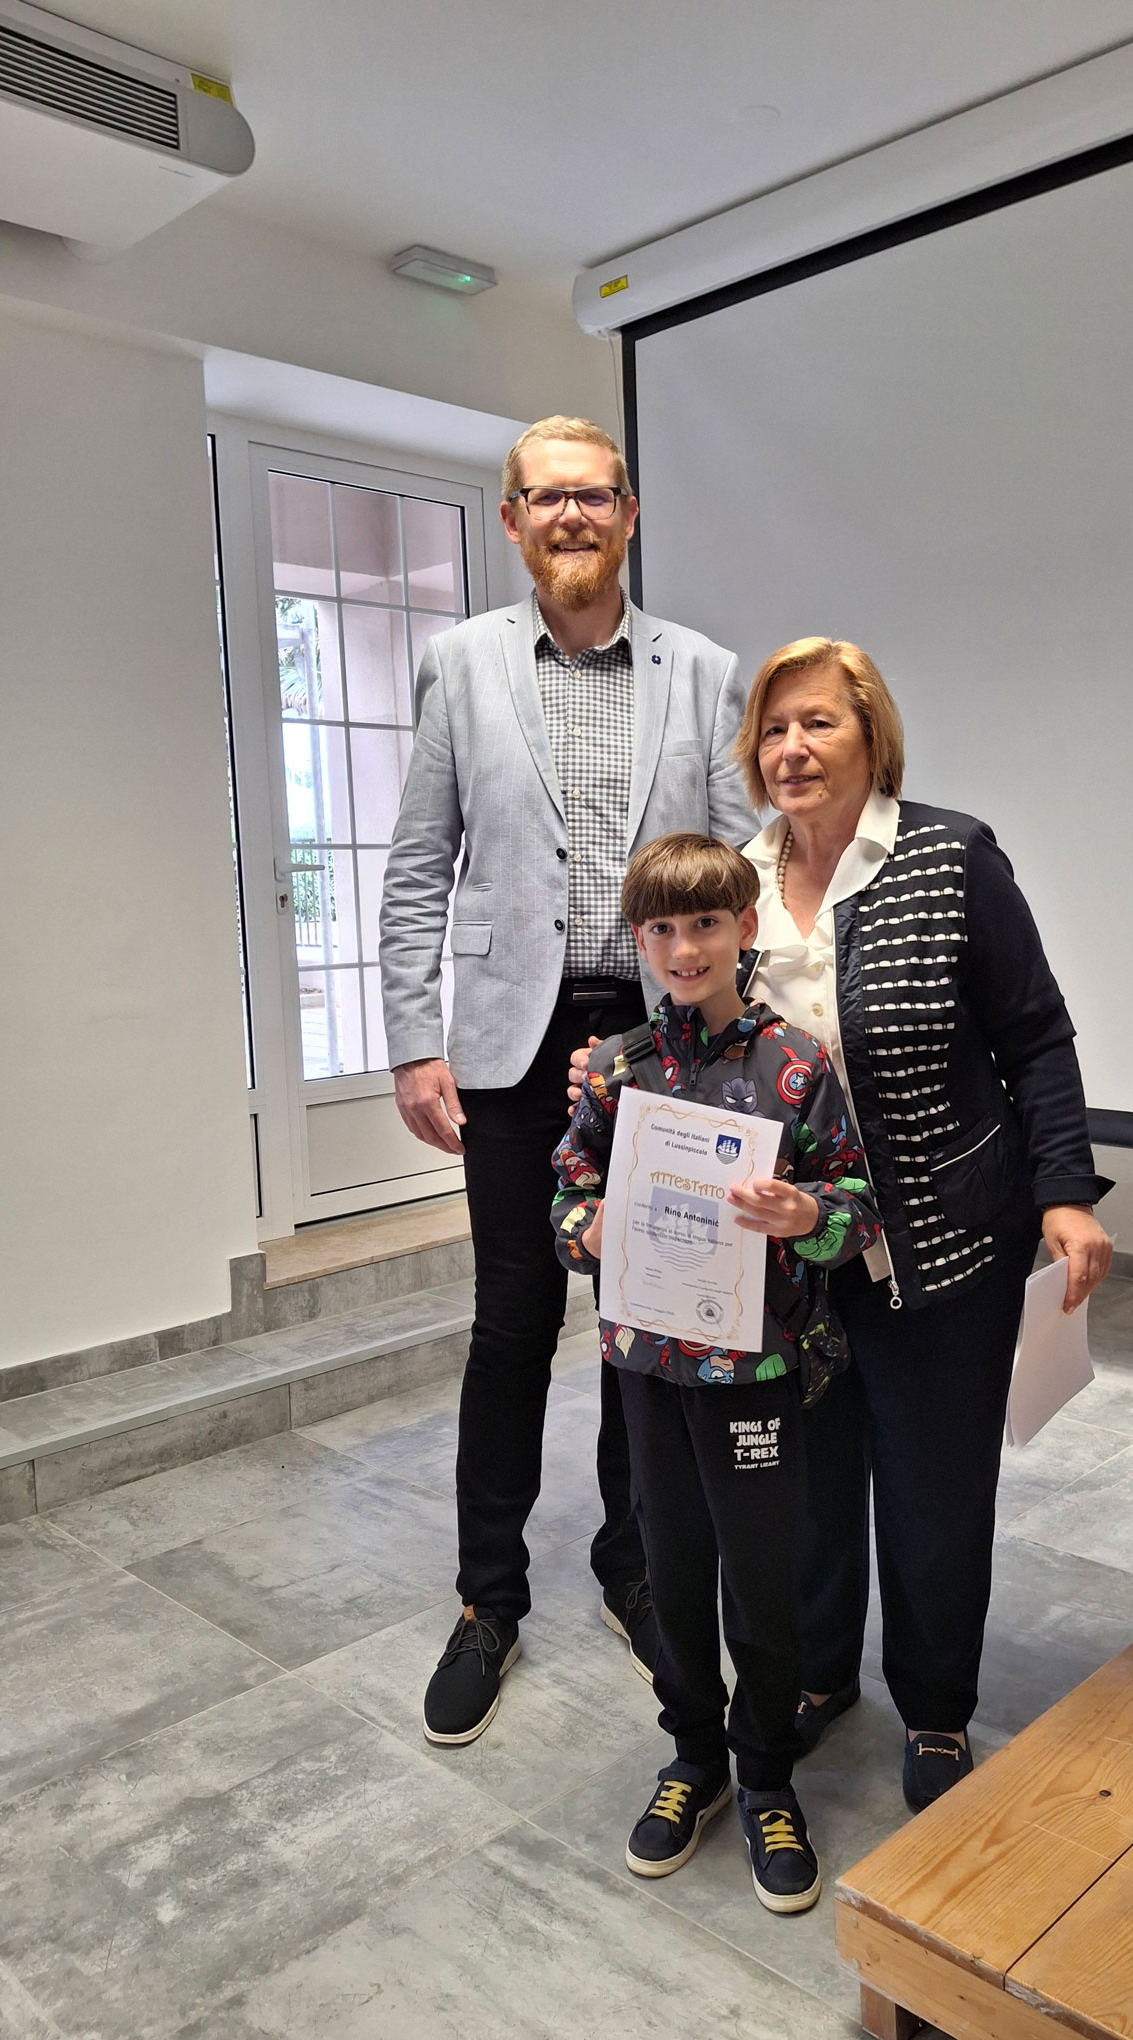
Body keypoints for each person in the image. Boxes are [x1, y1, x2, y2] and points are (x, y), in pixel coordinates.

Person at [379, 417, 756, 1747]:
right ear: (512, 520)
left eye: (592, 495)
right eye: (546, 498)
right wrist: (413, 1038)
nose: (571, 516)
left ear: (628, 513)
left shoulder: (701, 672)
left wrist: (740, 1036)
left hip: (662, 1045)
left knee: (638, 1319)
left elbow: (740, 871)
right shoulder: (461, 663)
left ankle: (630, 1561)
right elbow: (418, 861)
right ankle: (488, 1599)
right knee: (513, 1325)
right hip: (511, 1048)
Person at [730, 637, 1114, 1814]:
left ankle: (936, 1706)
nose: (793, 749)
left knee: (934, 1490)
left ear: (872, 736)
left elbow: (1035, 1036)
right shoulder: (736, 881)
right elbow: (701, 1045)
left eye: (818, 723)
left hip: (943, 1241)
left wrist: (1063, 1190)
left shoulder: (952, 858)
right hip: (793, 1252)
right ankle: (819, 1675)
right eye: (773, 729)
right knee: (807, 1481)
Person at [550, 833, 880, 1913]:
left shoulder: (797, 1067)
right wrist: (591, 1229)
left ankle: (767, 1775)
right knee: (675, 1566)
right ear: (638, 940)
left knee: (762, 1579)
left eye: (705, 924)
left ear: (746, 929)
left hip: (758, 1374)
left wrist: (807, 1214)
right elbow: (567, 1195)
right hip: (648, 1368)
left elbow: (854, 1206)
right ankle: (695, 1756)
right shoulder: (617, 1070)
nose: (684, 948)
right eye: (662, 928)